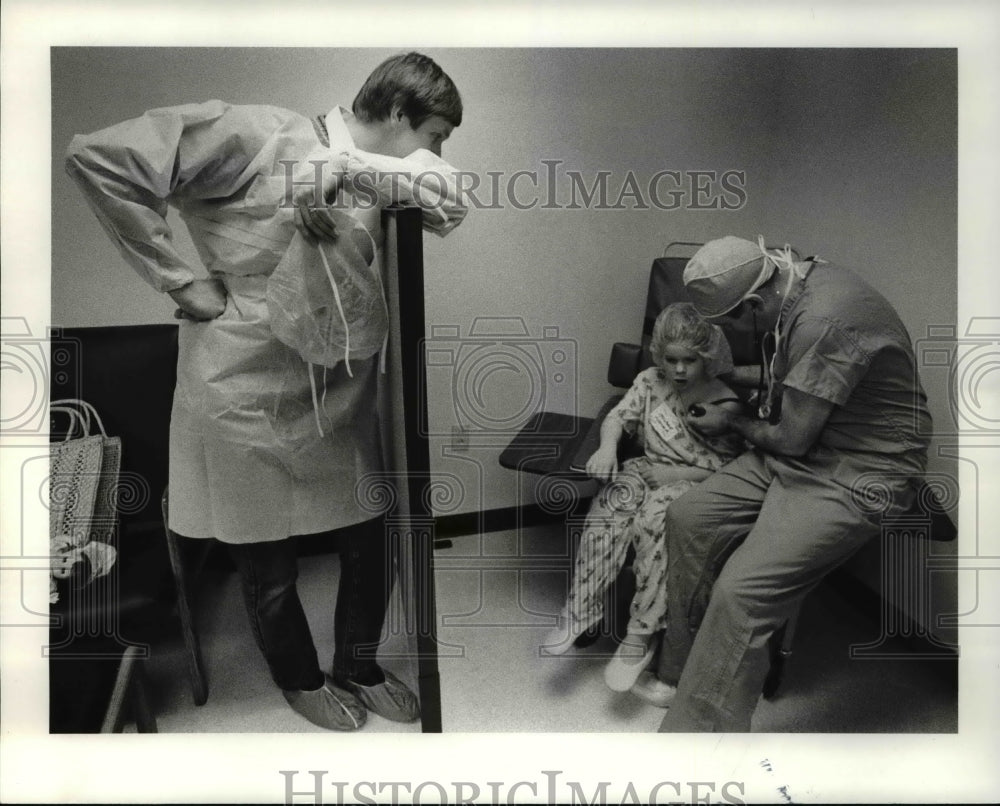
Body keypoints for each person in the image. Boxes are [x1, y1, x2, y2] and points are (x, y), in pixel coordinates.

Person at [65, 52, 467, 731]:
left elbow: (451, 205)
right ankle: (299, 678)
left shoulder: (388, 174)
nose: (438, 151)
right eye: (435, 133)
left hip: (337, 386)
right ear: (398, 112)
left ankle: (359, 665)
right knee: (268, 554)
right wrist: (178, 281)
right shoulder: (256, 134)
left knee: (371, 539)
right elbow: (99, 158)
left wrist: (341, 168)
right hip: (242, 381)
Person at [651, 235, 932, 732]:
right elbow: (791, 382)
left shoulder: (826, 320)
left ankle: (692, 753)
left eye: (725, 324)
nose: (721, 335)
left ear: (754, 304)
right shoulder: (798, 278)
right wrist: (725, 377)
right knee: (688, 517)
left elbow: (791, 437)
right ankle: (685, 669)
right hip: (808, 444)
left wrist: (730, 422)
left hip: (860, 470)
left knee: (742, 595)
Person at [543, 303, 745, 694]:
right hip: (646, 467)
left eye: (690, 360)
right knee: (610, 506)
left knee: (654, 520)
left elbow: (731, 471)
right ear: (659, 355)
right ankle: (581, 609)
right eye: (672, 359)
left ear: (707, 356)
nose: (680, 370)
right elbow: (619, 417)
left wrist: (676, 474)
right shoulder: (650, 382)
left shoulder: (725, 403)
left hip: (694, 483)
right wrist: (606, 448)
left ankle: (640, 633)